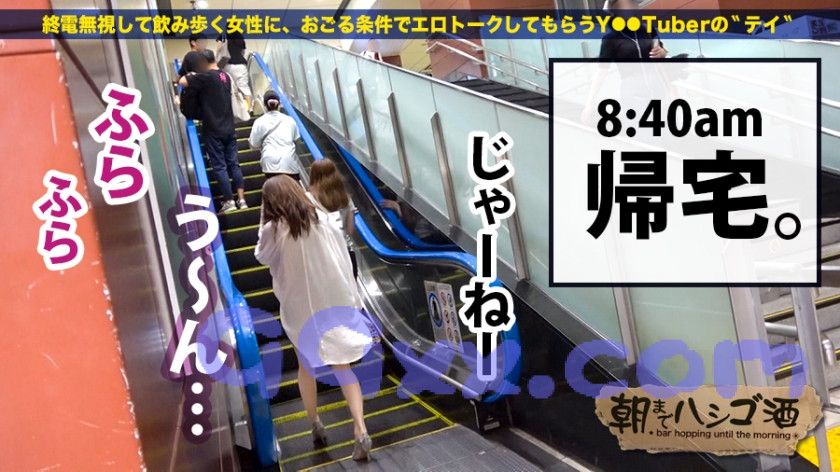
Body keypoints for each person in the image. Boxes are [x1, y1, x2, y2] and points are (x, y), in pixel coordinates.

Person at [254, 176, 373, 461]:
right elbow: (343, 256)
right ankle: (360, 428)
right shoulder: (321, 217)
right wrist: (354, 297)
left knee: (305, 367)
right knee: (343, 366)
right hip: (332, 299)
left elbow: (261, 256)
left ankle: (315, 424)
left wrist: (264, 218)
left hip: (299, 307)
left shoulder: (273, 228)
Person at [179, 50, 247, 213]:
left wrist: (193, 73)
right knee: (234, 164)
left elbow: (182, 81)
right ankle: (242, 200)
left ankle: (229, 201)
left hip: (213, 129)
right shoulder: (225, 76)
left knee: (219, 166)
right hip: (229, 128)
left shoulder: (206, 77)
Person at [581, 0, 669, 125]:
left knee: (665, 129)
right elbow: (601, 72)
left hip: (657, 87)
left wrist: (663, 52)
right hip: (633, 92)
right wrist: (589, 105)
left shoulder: (648, 30)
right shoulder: (610, 39)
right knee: (642, 131)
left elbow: (660, 58)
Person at [308, 159, 358, 277]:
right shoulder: (346, 198)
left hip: (323, 256)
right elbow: (350, 230)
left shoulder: (309, 199)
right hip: (346, 253)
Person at [248, 90, 303, 182]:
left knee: (275, 189)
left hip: (270, 163)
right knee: (291, 189)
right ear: (279, 103)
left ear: (264, 105)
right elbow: (297, 140)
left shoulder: (259, 122)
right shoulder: (290, 120)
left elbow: (254, 144)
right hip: (289, 161)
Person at [380, 198, 449, 244]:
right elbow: (409, 222)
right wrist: (397, 207)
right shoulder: (409, 196)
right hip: (426, 236)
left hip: (435, 232)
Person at [217, 31, 252, 110]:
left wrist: (216, 60)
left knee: (229, 88)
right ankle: (249, 109)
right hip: (241, 65)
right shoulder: (240, 36)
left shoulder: (223, 34)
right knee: (244, 87)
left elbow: (219, 48)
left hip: (228, 64)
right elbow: (243, 52)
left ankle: (232, 110)